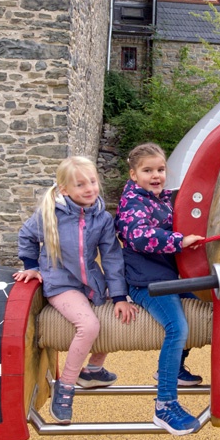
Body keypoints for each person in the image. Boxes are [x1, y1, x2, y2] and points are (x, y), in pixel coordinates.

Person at [15, 156, 136, 424]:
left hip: (91, 282)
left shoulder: (103, 218)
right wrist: (31, 265)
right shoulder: (50, 214)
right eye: (81, 184)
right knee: (89, 326)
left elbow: (113, 257)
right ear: (64, 189)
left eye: (92, 182)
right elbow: (26, 235)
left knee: (118, 317)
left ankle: (93, 369)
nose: (90, 188)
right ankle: (66, 386)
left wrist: (118, 295)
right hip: (61, 283)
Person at [115, 142, 205, 436]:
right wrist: (180, 241)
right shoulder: (131, 202)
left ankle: (175, 368)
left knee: (205, 300)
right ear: (133, 174)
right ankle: (164, 405)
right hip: (146, 282)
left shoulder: (163, 199)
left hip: (168, 276)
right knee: (176, 327)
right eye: (147, 170)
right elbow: (140, 237)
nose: (156, 175)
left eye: (161, 169)